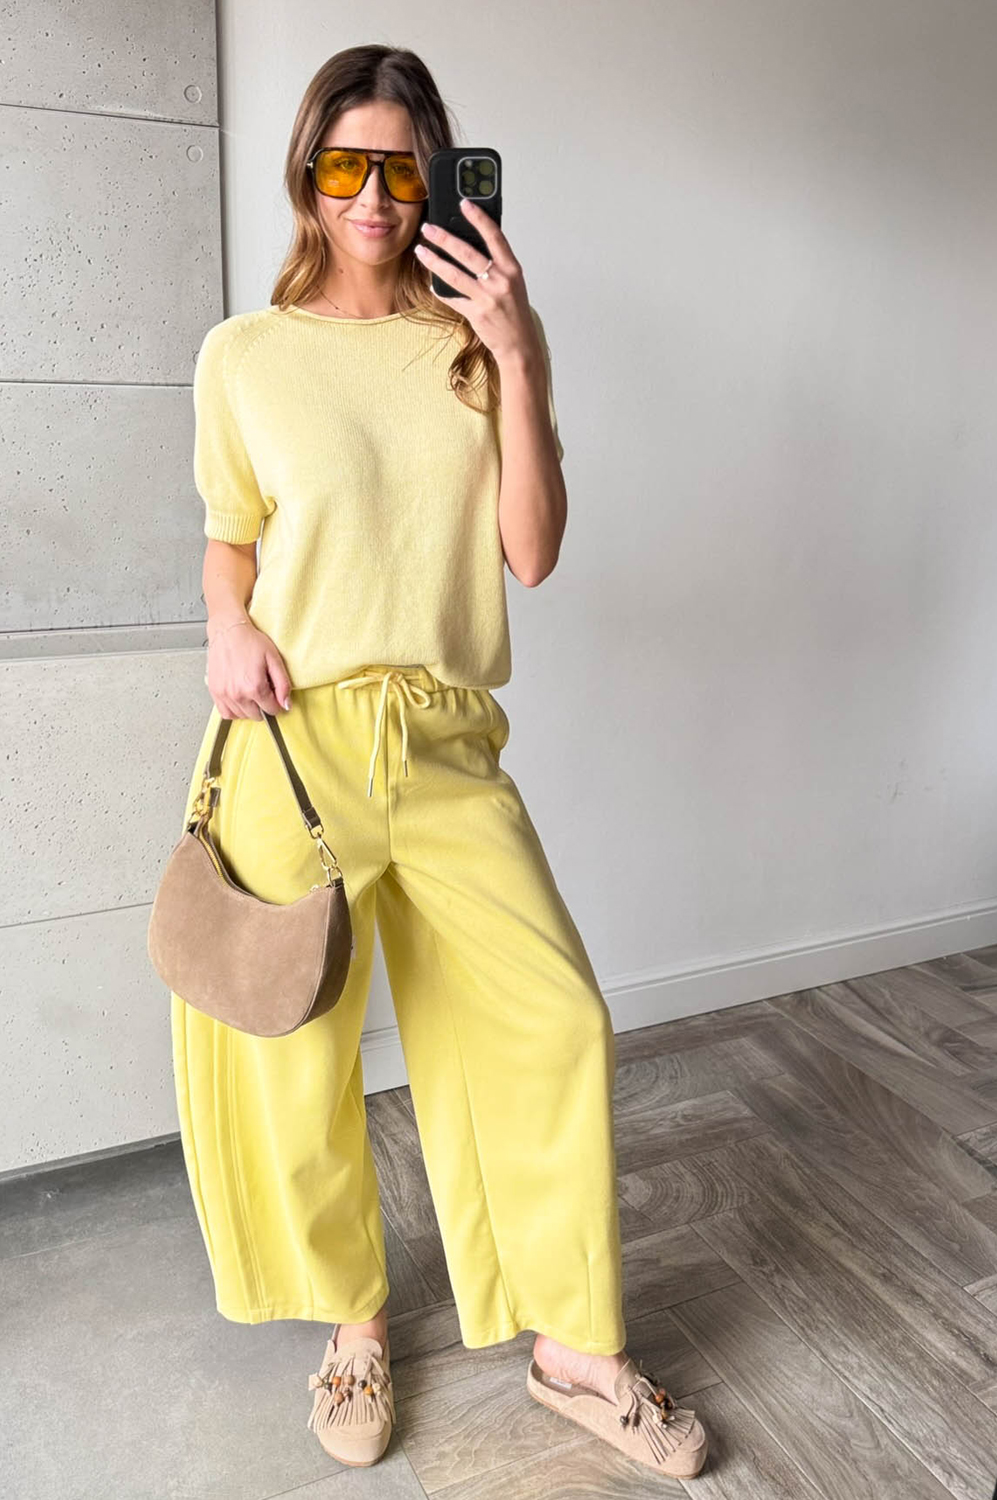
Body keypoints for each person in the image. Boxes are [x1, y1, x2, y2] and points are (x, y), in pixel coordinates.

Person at [170, 42, 708, 1481]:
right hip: (292, 742)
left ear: (436, 180)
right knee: (295, 1056)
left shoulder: (476, 345)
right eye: (344, 164)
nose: (372, 194)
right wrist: (226, 626)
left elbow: (531, 553)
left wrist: (518, 352)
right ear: (307, 174)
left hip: (446, 739)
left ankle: (574, 1349)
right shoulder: (244, 355)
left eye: (399, 167)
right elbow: (229, 540)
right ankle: (353, 1323)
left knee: (552, 1016)